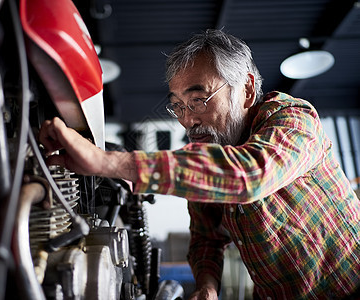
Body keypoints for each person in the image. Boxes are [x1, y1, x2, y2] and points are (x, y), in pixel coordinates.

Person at [39, 29, 360, 300]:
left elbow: (249, 175)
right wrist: (208, 285)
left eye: (199, 100)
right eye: (178, 106)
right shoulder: (207, 151)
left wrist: (104, 161)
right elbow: (205, 237)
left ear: (247, 90)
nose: (188, 121)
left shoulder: (293, 120)